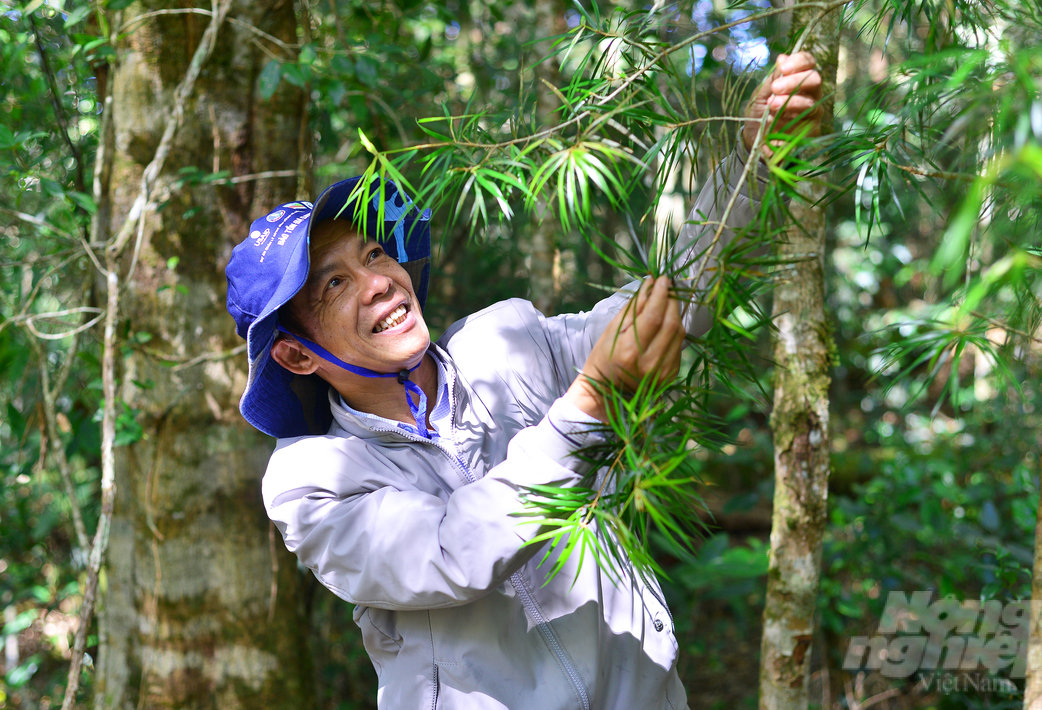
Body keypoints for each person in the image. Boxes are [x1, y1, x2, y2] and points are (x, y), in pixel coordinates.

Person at [225, 53, 821, 710]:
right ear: (297, 357)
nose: (378, 282)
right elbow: (450, 552)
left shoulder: (505, 341)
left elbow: (663, 309)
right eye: (334, 285)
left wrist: (748, 163)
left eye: (373, 253)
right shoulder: (310, 482)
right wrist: (588, 403)